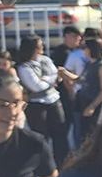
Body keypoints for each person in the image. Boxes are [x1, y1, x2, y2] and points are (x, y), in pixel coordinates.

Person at [16, 35, 71, 163]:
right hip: (37, 105)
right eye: (39, 45)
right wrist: (50, 79)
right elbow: (36, 86)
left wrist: (46, 79)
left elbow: (56, 75)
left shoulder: (45, 60)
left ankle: (64, 163)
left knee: (60, 135)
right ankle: (45, 165)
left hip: (53, 100)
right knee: (41, 137)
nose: (43, 47)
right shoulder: (24, 67)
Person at [74, 37, 102, 139]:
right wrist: (65, 74)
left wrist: (92, 106)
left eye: (85, 47)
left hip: (95, 105)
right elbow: (81, 79)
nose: (83, 50)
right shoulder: (89, 64)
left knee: (94, 134)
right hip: (84, 101)